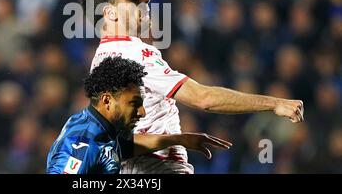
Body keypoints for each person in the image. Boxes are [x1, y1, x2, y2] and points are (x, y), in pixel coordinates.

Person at [79, 0, 304, 174]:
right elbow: (203, 98)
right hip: (154, 166)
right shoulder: (133, 54)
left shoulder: (102, 58)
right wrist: (274, 104)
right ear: (110, 13)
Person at [46, 56, 231, 174]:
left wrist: (178, 139)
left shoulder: (100, 127)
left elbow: (123, 147)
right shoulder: (82, 144)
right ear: (107, 100)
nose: (142, 112)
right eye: (134, 103)